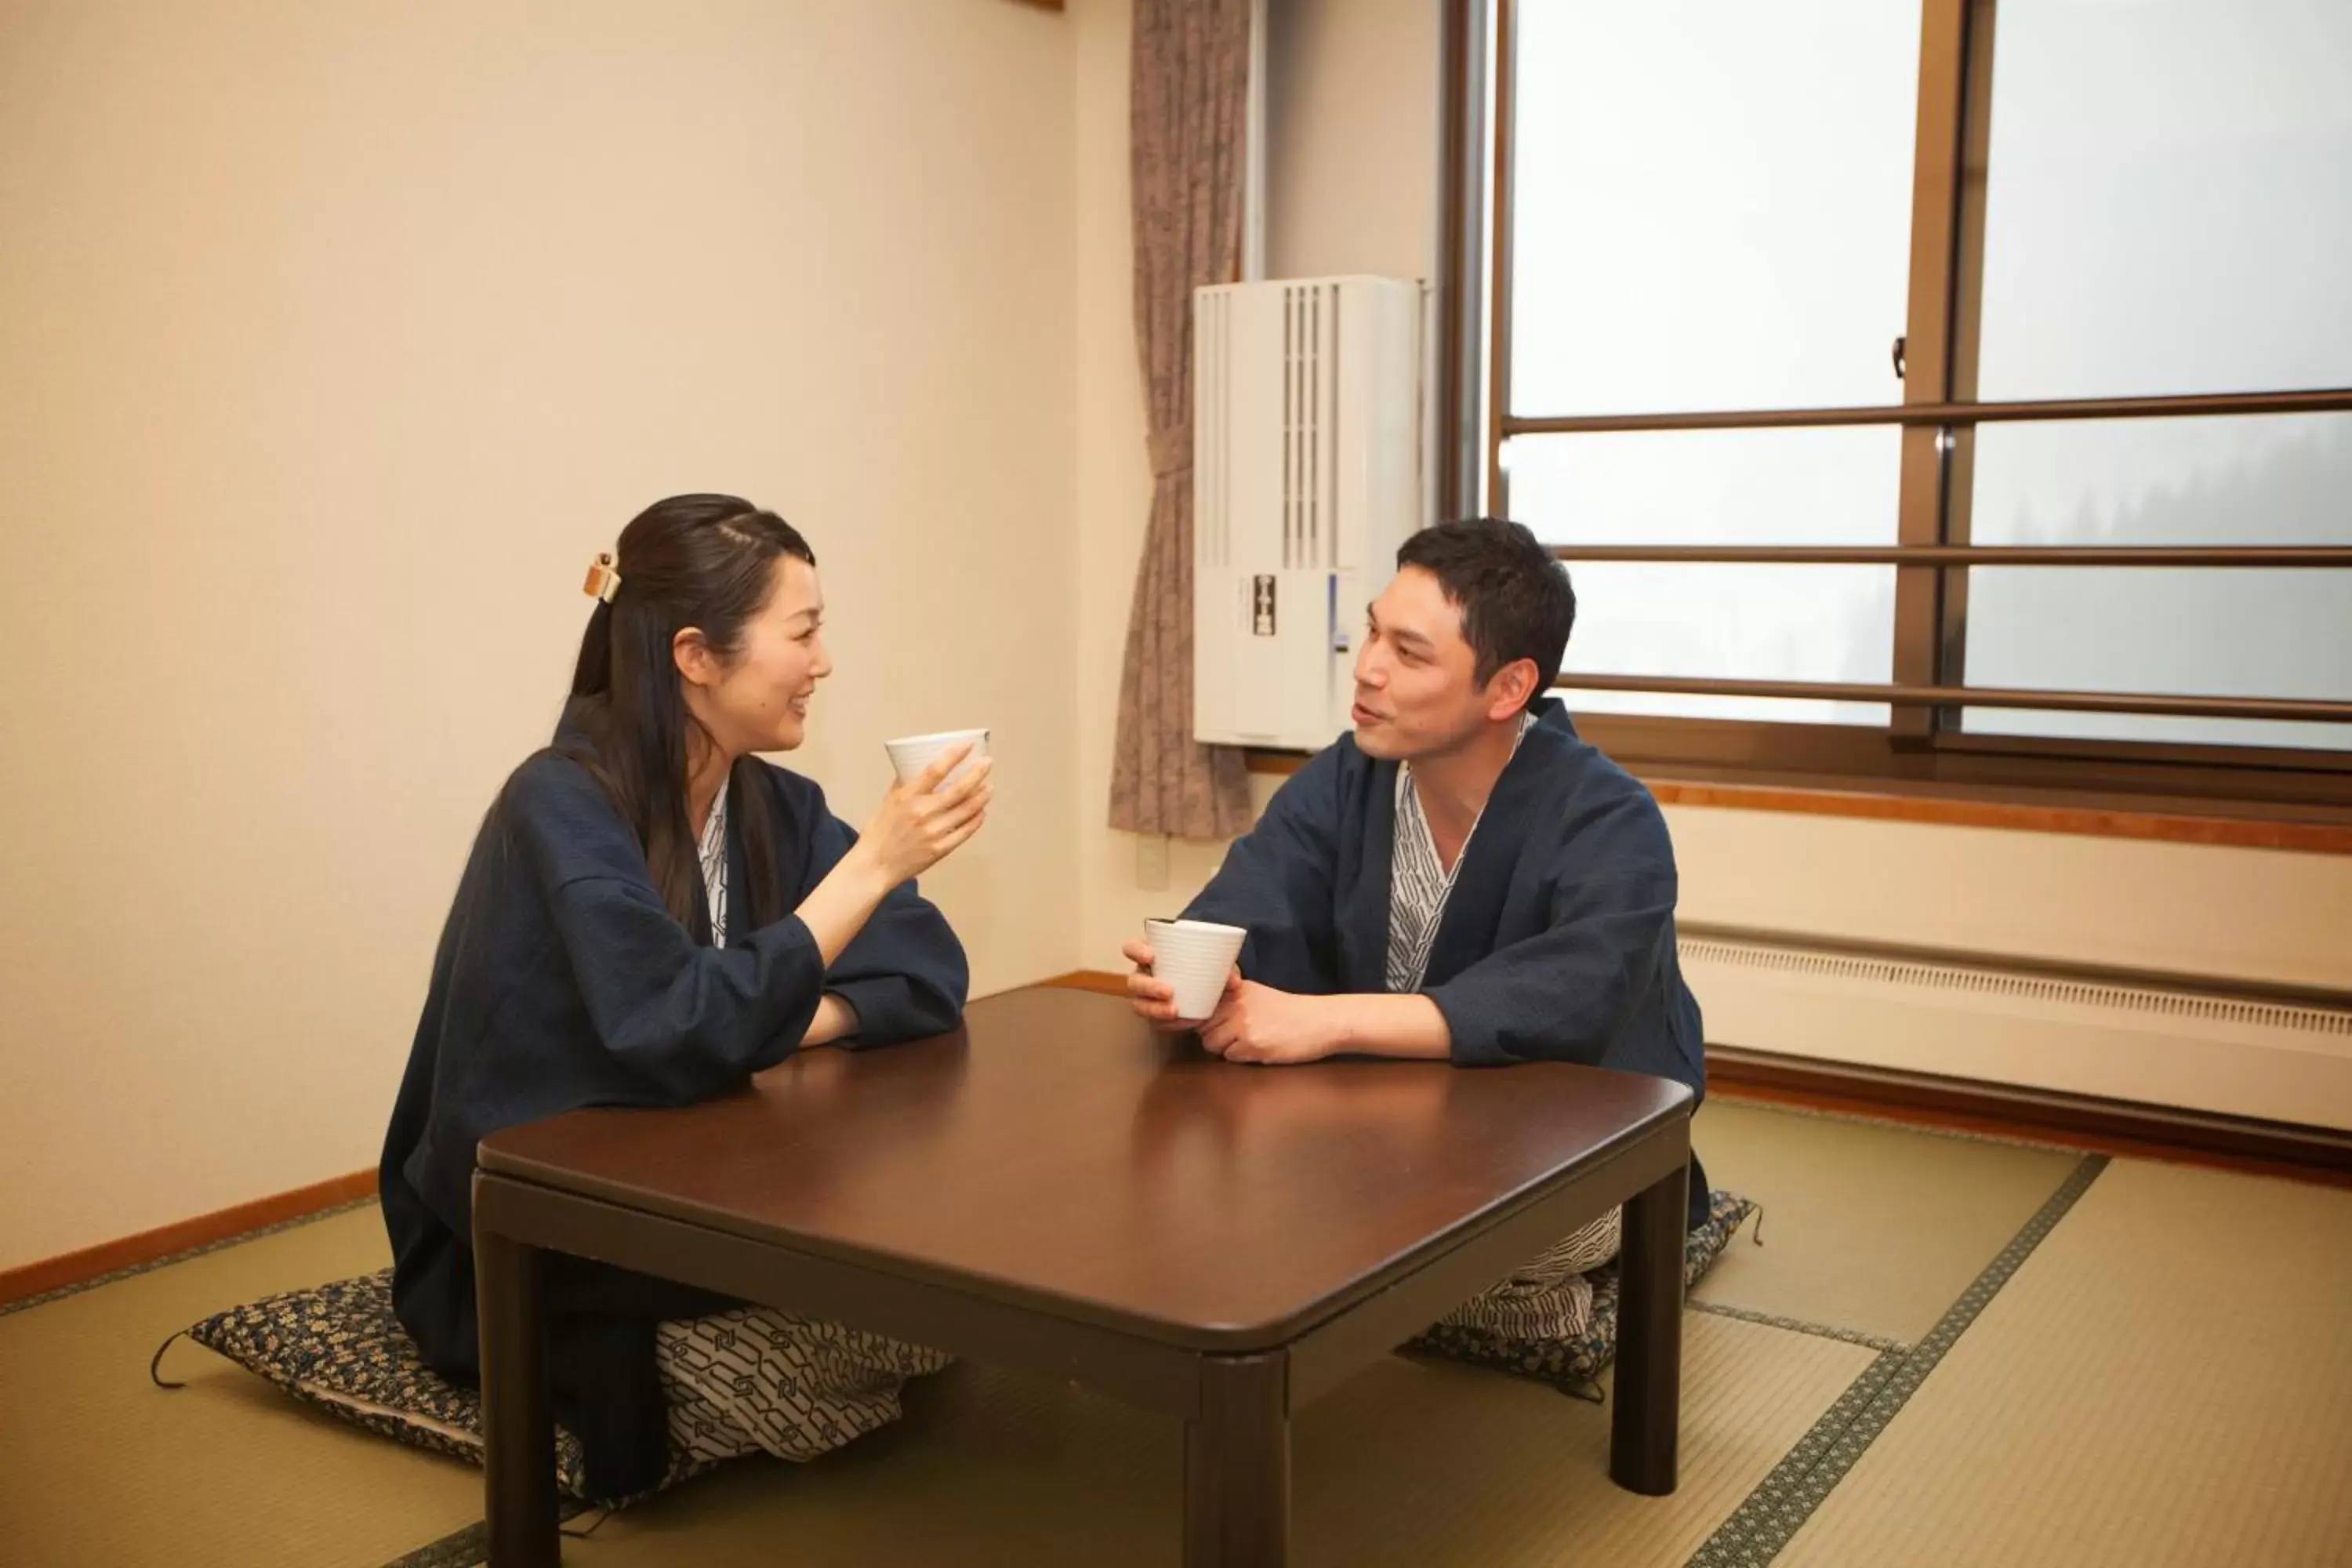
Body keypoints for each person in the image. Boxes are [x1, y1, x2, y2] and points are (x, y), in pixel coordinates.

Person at [379, 494, 986, 1497]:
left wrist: (785, 1023)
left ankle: (723, 1362)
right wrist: (870, 866)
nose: (824, 660)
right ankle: (662, 1373)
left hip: (697, 1182)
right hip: (534, 1227)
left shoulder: (772, 802)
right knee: (891, 1309)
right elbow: (672, 1018)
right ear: (697, 655)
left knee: (926, 1274)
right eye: (804, 632)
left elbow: (928, 973)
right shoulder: (559, 803)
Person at [1124, 517, 1710, 1229]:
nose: (1369, 667)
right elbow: (1257, 892)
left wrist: (1327, 1022)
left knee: (1543, 1231)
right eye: (1374, 633)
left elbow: (1575, 994)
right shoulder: (1350, 775)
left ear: (1507, 688)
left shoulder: (1609, 816)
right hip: (1390, 1124)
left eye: (1409, 653)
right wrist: (1198, 972)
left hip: (1555, 1136)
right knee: (1196, 1172)